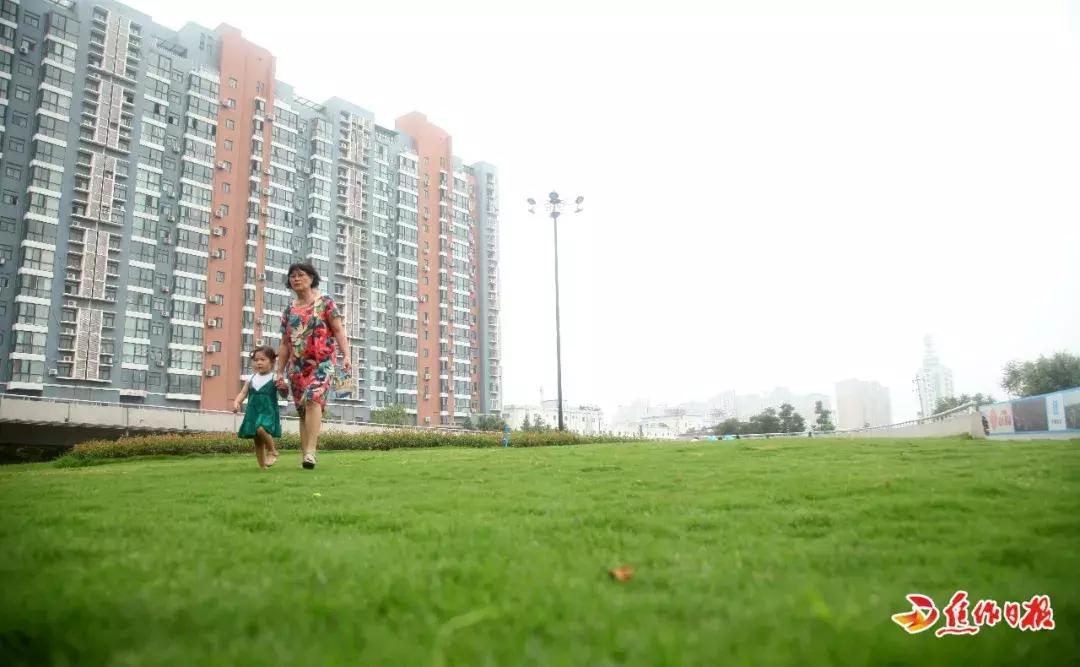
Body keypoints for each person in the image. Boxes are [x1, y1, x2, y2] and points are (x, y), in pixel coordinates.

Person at [275, 262, 351, 470]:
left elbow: (338, 330)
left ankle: (311, 452)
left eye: (300, 275)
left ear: (311, 278)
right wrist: (278, 373)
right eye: (292, 276)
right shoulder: (289, 310)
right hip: (297, 368)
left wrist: (346, 356)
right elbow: (284, 344)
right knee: (302, 410)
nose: (296, 279)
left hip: (322, 363)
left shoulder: (325, 303)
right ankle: (305, 455)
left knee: (313, 398)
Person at [233, 346, 283, 469]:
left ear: (272, 362)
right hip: (253, 411)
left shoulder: (275, 378)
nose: (259, 362)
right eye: (256, 360)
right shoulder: (251, 378)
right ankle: (262, 467)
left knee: (261, 429)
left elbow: (284, 394)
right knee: (257, 439)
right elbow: (243, 392)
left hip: (267, 411)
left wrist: (284, 388)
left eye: (263, 359)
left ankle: (272, 451)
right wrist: (237, 402)